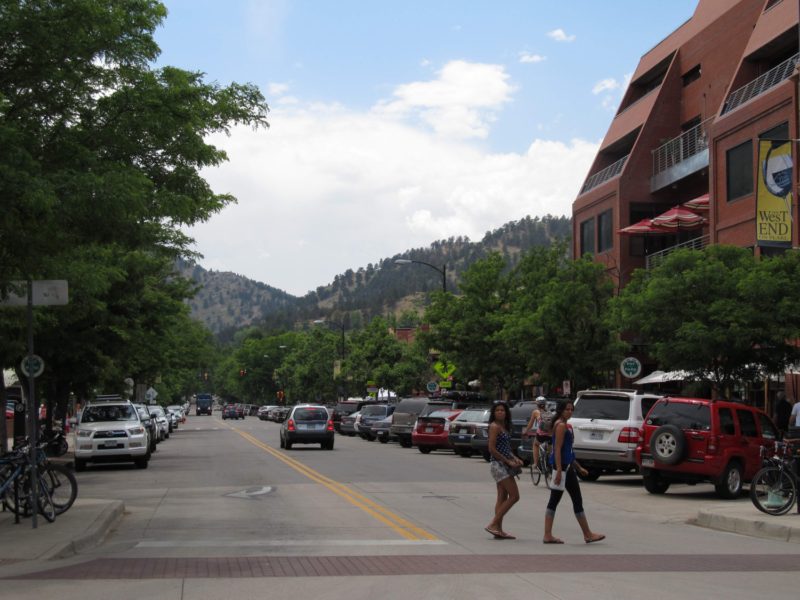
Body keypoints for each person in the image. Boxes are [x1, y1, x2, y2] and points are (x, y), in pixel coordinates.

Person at [543, 400, 605, 545]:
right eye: (567, 409)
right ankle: (585, 534)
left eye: (571, 409)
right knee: (559, 500)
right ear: (560, 410)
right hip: (563, 468)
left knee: (569, 500)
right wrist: (559, 470)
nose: (570, 412)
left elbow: (567, 450)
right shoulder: (561, 425)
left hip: (567, 467)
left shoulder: (564, 425)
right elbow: (557, 449)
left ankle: (586, 534)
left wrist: (577, 467)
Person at [485, 402, 523, 540]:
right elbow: (492, 449)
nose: (500, 412)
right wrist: (507, 461)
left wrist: (515, 458)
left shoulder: (504, 427)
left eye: (503, 410)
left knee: (502, 497)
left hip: (504, 464)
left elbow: (506, 448)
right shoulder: (494, 427)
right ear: (493, 413)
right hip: (498, 465)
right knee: (515, 496)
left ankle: (498, 530)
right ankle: (493, 524)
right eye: (498, 410)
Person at [524, 396, 553, 471]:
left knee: (536, 444)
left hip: (541, 435)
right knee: (550, 448)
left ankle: (536, 463)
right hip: (551, 434)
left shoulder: (536, 412)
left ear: (537, 404)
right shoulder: (550, 412)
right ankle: (549, 458)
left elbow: (530, 424)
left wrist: (526, 431)